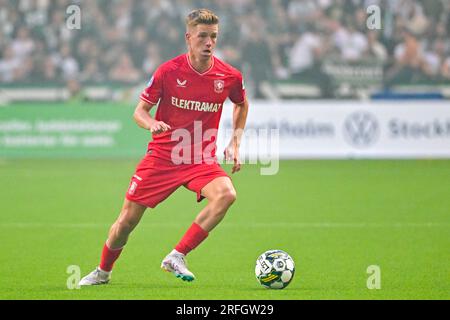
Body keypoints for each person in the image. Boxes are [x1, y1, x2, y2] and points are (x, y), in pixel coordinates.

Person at [79, 8, 249, 285]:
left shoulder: (229, 76)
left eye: (214, 37)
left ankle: (177, 255)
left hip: (199, 159)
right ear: (188, 37)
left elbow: (242, 103)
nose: (209, 42)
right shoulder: (168, 71)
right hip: (162, 157)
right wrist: (151, 124)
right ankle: (103, 271)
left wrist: (235, 142)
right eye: (202, 36)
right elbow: (139, 111)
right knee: (126, 223)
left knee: (226, 194)